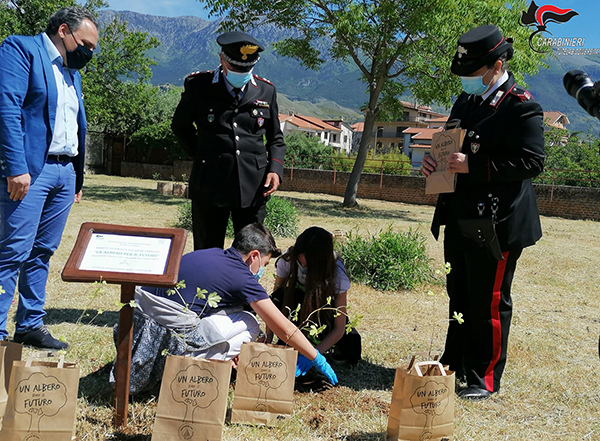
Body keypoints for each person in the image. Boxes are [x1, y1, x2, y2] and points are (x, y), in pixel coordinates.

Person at [421, 25, 545, 400]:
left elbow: (532, 161)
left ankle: (484, 376)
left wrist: (472, 166)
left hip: (497, 221)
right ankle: (454, 360)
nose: (467, 80)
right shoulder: (466, 102)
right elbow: (452, 143)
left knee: (488, 298)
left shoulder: (520, 104)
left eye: (473, 73)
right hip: (459, 214)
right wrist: (434, 162)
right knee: (458, 292)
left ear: (496, 64)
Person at [112, 223, 338, 395]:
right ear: (254, 256)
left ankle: (215, 357)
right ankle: (204, 362)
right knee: (250, 323)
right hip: (170, 343)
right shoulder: (242, 276)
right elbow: (283, 327)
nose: (261, 273)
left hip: (135, 328)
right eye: (265, 265)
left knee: (234, 315)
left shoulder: (208, 253)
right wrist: (316, 357)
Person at [0, 7, 99, 349]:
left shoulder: (73, 72)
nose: (89, 52)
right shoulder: (21, 49)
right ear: (63, 31)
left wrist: (77, 178)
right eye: (86, 43)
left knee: (42, 251)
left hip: (64, 172)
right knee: (13, 251)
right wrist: (15, 166)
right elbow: (7, 107)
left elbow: (74, 125)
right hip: (30, 171)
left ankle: (30, 324)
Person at [171, 31, 286, 251]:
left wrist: (275, 169)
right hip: (210, 183)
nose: (242, 73)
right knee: (207, 250)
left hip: (253, 185)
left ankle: (246, 286)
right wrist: (200, 153)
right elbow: (180, 125)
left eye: (247, 69)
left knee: (251, 251)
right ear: (222, 59)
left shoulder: (266, 90)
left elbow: (276, 138)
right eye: (236, 68)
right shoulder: (199, 85)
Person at [267, 227, 361, 366]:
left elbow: (339, 327)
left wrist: (314, 356)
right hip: (297, 307)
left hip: (324, 316)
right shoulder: (287, 261)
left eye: (308, 265)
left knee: (350, 348)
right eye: (301, 263)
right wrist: (268, 339)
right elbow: (274, 303)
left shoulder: (338, 276)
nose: (303, 267)